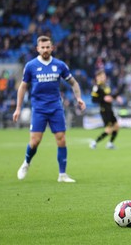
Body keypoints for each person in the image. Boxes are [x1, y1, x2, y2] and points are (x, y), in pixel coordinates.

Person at [13, 35, 86, 182]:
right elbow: (23, 87)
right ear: (37, 49)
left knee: (61, 139)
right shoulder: (31, 66)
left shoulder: (60, 65)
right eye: (43, 47)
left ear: (52, 48)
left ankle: (62, 175)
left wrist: (78, 97)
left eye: (48, 47)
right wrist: (18, 107)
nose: (45, 50)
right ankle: (27, 162)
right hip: (39, 108)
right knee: (34, 141)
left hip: (55, 108)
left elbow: (74, 83)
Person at [90, 69, 120, 149]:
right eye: (102, 76)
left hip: (110, 109)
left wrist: (116, 97)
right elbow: (93, 100)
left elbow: (109, 96)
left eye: (104, 76)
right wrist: (103, 99)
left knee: (116, 126)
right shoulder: (96, 87)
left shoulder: (106, 85)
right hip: (104, 110)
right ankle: (94, 142)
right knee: (108, 130)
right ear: (98, 77)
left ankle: (110, 143)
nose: (104, 77)